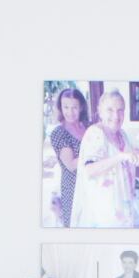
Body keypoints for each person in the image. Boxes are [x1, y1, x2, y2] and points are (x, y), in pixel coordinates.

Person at [71, 89, 139, 227]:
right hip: (104, 211)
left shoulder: (122, 134)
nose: (116, 116)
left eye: (120, 110)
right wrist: (120, 156)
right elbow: (89, 170)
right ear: (100, 112)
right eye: (110, 110)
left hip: (123, 206)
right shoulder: (96, 133)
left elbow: (127, 165)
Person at [48, 88, 89, 225]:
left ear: (81, 107)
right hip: (73, 188)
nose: (70, 112)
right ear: (60, 107)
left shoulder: (88, 127)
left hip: (92, 183)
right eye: (66, 107)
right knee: (76, 224)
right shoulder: (59, 133)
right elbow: (71, 165)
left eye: (74, 107)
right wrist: (93, 153)